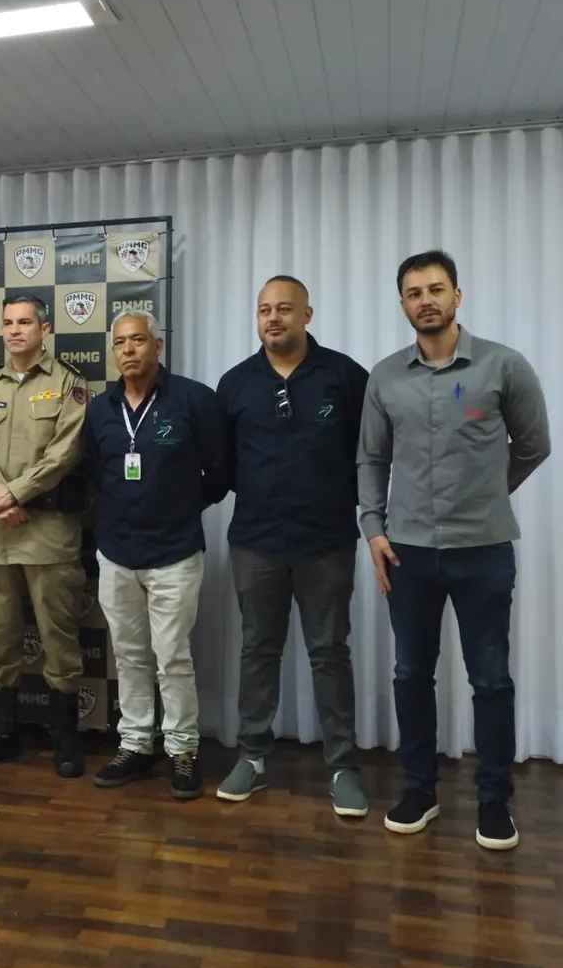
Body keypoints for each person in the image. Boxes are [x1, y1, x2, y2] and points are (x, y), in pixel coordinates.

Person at [358, 250, 550, 850]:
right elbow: (371, 459)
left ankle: (494, 800)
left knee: (490, 678)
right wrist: (374, 528)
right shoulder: (386, 377)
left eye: (436, 289)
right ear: (403, 304)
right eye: (414, 293)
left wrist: (487, 492)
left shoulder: (503, 365)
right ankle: (420, 789)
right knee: (411, 674)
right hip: (408, 553)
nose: (426, 301)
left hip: (483, 550)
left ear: (457, 296)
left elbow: (534, 444)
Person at [214, 276, 370, 816]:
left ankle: (343, 766)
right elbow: (224, 465)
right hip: (256, 541)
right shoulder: (235, 384)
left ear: (308, 314)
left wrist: (340, 503)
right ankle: (252, 757)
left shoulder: (345, 376)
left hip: (326, 541)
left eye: (284, 308)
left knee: (329, 653)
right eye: (264, 310)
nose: (273, 318)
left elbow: (370, 455)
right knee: (259, 650)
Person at [84, 312, 225, 800]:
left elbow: (220, 472)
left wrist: (180, 507)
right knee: (129, 655)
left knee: (172, 657)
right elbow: (97, 473)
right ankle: (136, 743)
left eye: (138, 340)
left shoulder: (194, 400)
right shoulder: (100, 410)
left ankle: (183, 750)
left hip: (174, 552)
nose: (128, 350)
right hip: (116, 551)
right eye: (120, 343)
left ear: (158, 346)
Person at [0, 294, 89, 777]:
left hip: (48, 535)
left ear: (45, 329)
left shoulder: (68, 384)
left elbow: (66, 452)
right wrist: (0, 498)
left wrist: (14, 493)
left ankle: (65, 735)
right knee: (0, 637)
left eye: (25, 323)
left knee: (59, 638)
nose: (15, 330)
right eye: (8, 323)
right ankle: (2, 730)